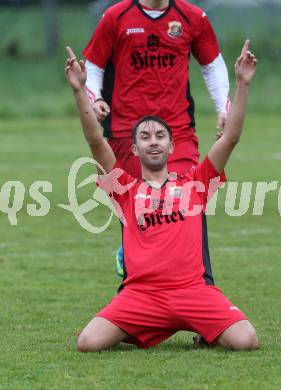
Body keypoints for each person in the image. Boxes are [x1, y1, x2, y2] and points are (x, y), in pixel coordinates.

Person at [65, 39, 259, 351]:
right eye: (144, 137)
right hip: (142, 296)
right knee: (88, 343)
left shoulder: (196, 183)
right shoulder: (125, 191)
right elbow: (96, 144)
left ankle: (201, 328)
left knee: (246, 340)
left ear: (171, 147)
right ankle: (153, 326)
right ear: (134, 149)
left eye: (160, 136)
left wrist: (242, 83)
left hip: (194, 292)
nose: (153, 142)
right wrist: (79, 91)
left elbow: (231, 137)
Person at [83, 0, 230, 178]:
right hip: (127, 132)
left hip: (177, 130)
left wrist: (223, 106)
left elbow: (212, 64)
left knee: (182, 199)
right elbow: (93, 66)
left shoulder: (193, 16)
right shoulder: (115, 16)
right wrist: (95, 98)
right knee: (140, 203)